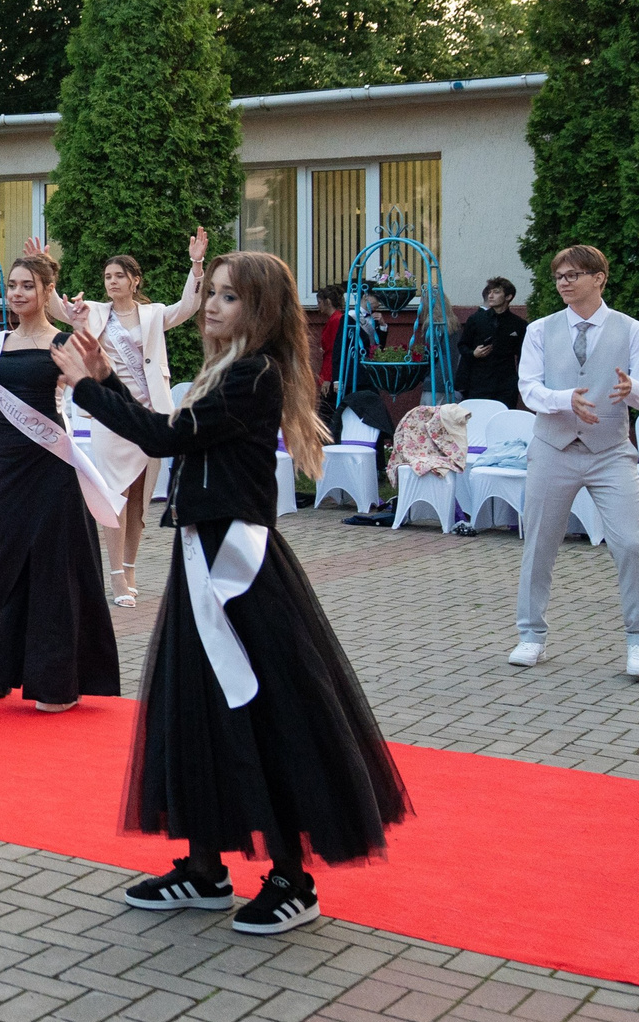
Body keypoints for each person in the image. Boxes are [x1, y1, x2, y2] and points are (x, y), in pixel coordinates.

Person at [54, 251, 408, 936]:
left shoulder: (255, 375)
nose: (212, 306)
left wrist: (89, 387)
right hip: (202, 560)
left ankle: (290, 878)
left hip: (239, 573)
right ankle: (207, 867)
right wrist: (100, 378)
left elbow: (166, 436)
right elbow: (176, 438)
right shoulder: (229, 371)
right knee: (196, 707)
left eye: (229, 297)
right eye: (210, 293)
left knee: (260, 710)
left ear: (263, 310)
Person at [0, 251, 121, 713]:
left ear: (46, 291)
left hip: (52, 466)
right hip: (8, 468)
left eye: (27, 286)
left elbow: (107, 387)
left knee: (53, 569)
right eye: (13, 285)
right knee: (3, 563)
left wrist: (87, 336)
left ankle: (56, 682)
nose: (17, 293)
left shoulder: (64, 343)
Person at [511, 244, 639, 678]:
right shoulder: (540, 329)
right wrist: (564, 400)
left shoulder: (632, 330)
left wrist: (631, 389)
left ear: (600, 278)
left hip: (610, 452)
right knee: (538, 544)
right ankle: (531, 635)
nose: (564, 282)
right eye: (559, 275)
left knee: (631, 543)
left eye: (574, 274)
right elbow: (529, 389)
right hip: (553, 449)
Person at [80, 233, 209, 607]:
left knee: (139, 497)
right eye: (108, 276)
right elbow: (57, 307)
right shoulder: (95, 313)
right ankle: (116, 577)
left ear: (135, 280)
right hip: (111, 415)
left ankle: (130, 567)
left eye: (120, 275)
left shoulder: (154, 315)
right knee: (113, 493)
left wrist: (196, 264)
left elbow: (189, 304)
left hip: (150, 417)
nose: (113, 281)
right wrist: (43, 267)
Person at [453, 278, 527, 407]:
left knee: (503, 421)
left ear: (508, 297)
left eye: (496, 292)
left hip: (506, 385)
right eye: (490, 292)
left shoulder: (518, 324)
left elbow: (523, 356)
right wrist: (473, 353)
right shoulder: (476, 319)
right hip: (479, 383)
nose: (491, 296)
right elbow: (462, 345)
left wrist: (520, 382)